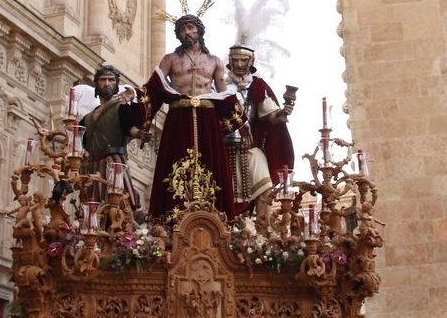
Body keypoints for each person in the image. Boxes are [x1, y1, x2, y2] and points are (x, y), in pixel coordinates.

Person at [138, 12, 245, 219]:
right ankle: (171, 217)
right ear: (178, 35)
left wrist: (239, 120)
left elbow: (223, 93)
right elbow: (153, 88)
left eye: (190, 28)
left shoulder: (214, 61)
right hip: (179, 115)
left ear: (199, 30)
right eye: (182, 29)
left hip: (207, 117)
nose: (186, 32)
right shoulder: (170, 59)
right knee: (174, 162)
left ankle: (215, 216)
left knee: (211, 164)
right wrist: (140, 115)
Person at [224, 45, 295, 214]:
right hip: (224, 148)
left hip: (250, 148)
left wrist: (282, 113)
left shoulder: (257, 86)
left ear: (251, 62)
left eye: (244, 60)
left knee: (265, 186)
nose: (240, 64)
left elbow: (270, 117)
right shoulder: (220, 85)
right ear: (230, 61)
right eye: (236, 60)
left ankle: (264, 231)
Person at [80, 64, 145, 210]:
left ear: (116, 85)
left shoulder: (121, 107)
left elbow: (130, 128)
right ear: (96, 84)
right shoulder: (87, 118)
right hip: (92, 167)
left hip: (113, 164)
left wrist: (140, 134)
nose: (107, 83)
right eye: (103, 80)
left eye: (111, 80)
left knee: (117, 206)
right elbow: (76, 141)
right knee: (91, 208)